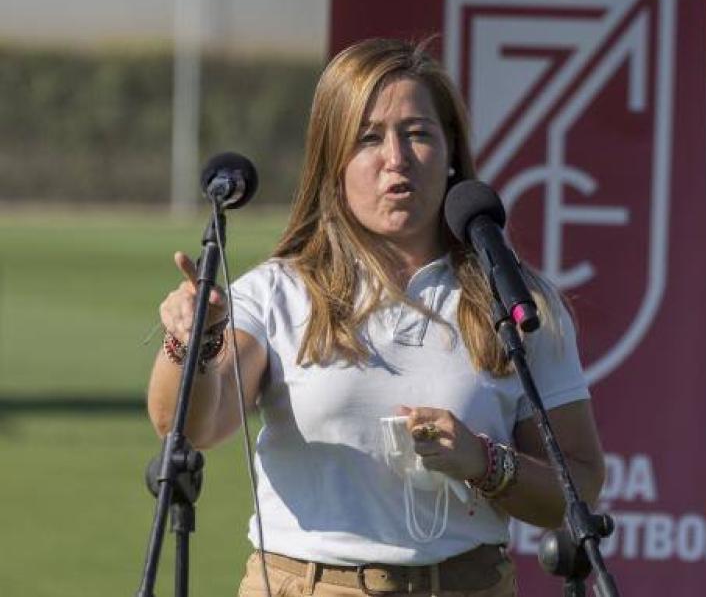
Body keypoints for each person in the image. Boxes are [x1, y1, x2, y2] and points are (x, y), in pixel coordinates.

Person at [147, 37, 606, 597]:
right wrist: (190, 343)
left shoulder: (515, 302)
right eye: (368, 138)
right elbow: (195, 425)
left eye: (418, 133)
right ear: (331, 161)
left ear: (452, 152)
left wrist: (484, 462)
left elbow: (578, 482)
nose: (397, 158)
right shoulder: (277, 292)